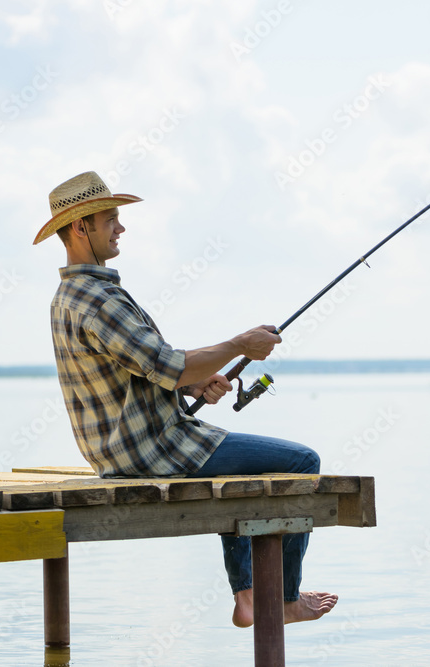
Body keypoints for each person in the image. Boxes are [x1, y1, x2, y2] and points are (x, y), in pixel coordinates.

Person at [33, 171, 337, 627]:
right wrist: (240, 345)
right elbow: (167, 363)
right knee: (302, 462)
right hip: (153, 449)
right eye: (111, 219)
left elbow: (142, 368)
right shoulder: (97, 299)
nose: (121, 228)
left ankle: (250, 594)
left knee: (244, 476)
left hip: (125, 448)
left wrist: (192, 387)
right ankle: (284, 597)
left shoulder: (71, 296)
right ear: (81, 228)